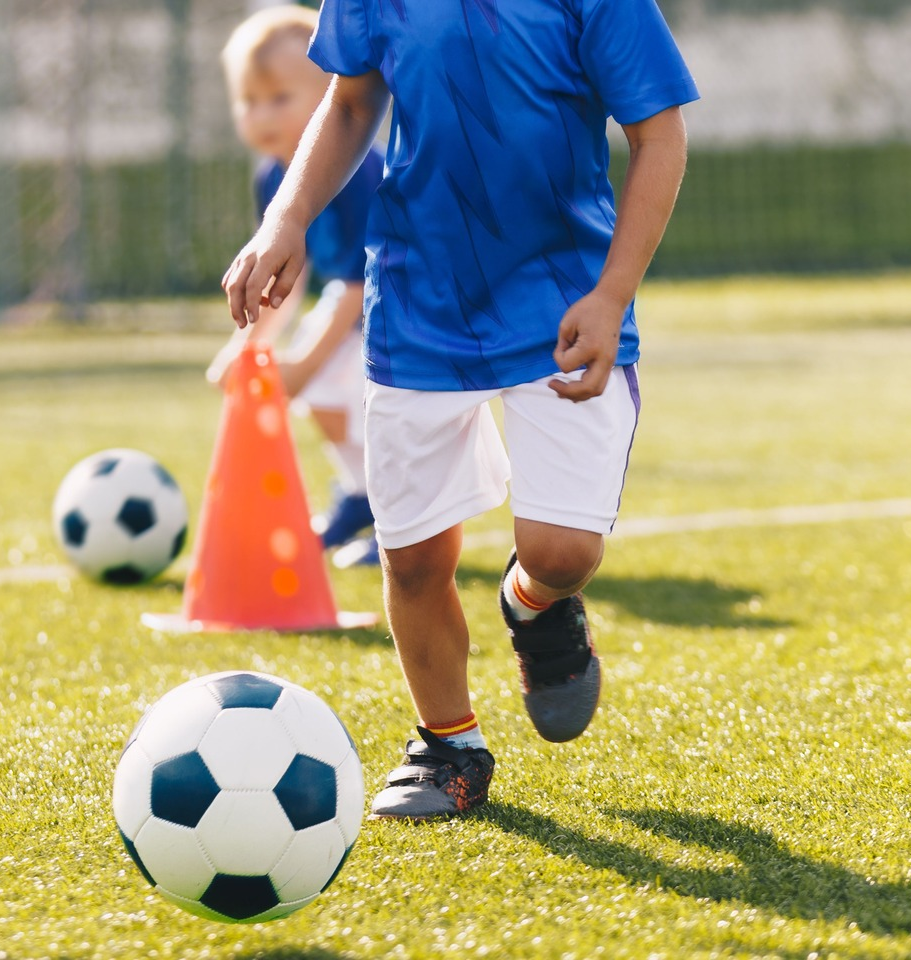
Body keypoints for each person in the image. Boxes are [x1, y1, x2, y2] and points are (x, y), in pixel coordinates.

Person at [223, 0, 697, 818]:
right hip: (419, 301)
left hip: (562, 298)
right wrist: (287, 216)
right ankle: (448, 744)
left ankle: (536, 605)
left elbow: (660, 136)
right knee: (410, 558)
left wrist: (613, 292)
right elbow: (348, 100)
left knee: (562, 552)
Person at [207, 4, 384, 567]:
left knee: (373, 411)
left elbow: (361, 284)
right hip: (351, 305)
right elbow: (287, 272)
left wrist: (304, 363)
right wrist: (248, 347)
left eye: (279, 97)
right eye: (248, 101)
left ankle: (399, 520)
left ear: (334, 93)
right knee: (325, 402)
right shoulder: (271, 177)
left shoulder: (358, 174)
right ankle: (361, 499)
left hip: (402, 307)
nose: (262, 115)